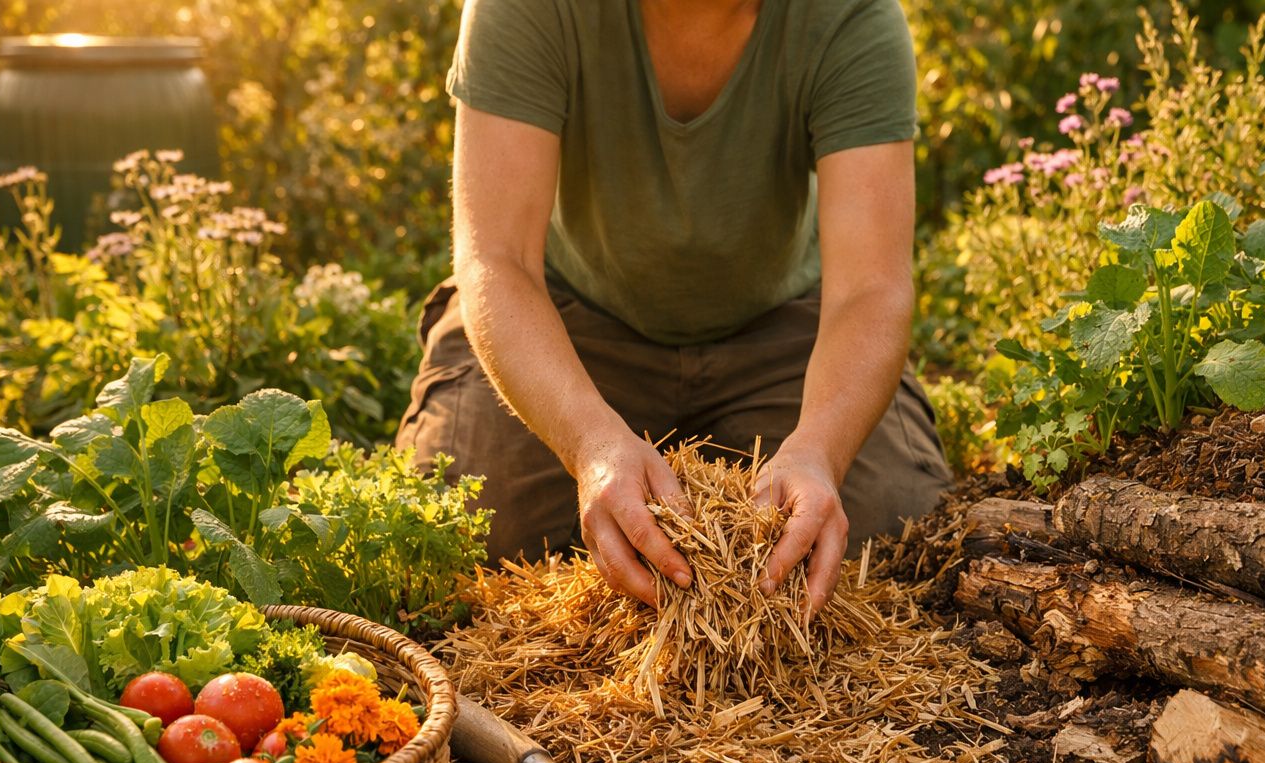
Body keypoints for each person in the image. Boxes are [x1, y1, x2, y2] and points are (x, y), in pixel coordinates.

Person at [396, 0, 953, 615]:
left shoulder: (851, 16)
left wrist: (818, 450)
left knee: (895, 534)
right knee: (463, 527)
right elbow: (498, 259)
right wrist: (592, 445)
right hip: (573, 320)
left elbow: (869, 289)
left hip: (782, 334)